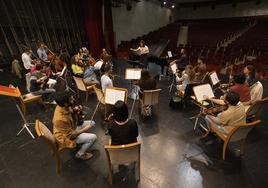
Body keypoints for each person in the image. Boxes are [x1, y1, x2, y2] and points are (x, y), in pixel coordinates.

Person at [53, 92, 97, 160]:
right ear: (65, 103)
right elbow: (71, 136)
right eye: (71, 99)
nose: (73, 99)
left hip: (72, 127)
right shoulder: (60, 119)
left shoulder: (63, 106)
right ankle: (80, 154)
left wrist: (74, 111)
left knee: (92, 123)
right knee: (93, 137)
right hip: (68, 137)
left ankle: (82, 141)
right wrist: (84, 129)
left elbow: (69, 113)